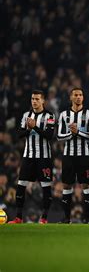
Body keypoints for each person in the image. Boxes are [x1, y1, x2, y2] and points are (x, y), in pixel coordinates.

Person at [8, 90, 56, 224]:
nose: (34, 101)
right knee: (21, 185)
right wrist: (29, 129)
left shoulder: (49, 116)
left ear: (43, 101)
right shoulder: (26, 115)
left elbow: (50, 135)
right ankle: (18, 217)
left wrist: (35, 126)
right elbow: (19, 134)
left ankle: (44, 218)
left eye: (37, 99)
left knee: (46, 187)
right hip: (28, 156)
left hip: (44, 157)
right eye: (32, 99)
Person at [56, 88, 89, 223]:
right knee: (67, 186)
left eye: (80, 95)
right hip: (69, 155)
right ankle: (66, 218)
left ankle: (86, 219)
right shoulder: (63, 115)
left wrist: (77, 132)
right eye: (75, 95)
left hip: (84, 155)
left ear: (83, 98)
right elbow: (59, 136)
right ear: (71, 98)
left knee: (86, 186)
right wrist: (71, 134)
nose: (78, 97)